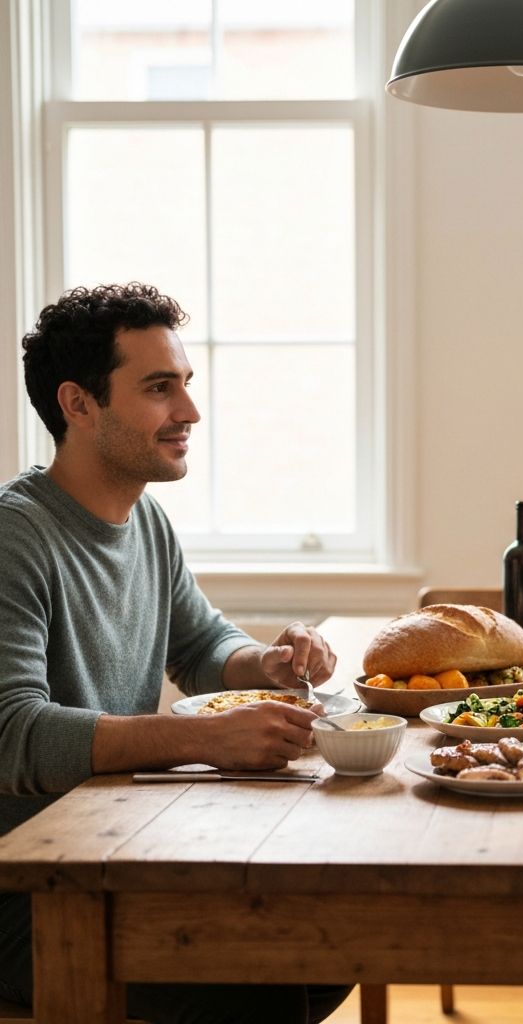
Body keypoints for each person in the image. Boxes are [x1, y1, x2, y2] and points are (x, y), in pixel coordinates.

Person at [0, 283, 350, 1023]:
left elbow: (198, 644)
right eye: (160, 389)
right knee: (268, 974)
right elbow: (14, 735)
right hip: (29, 893)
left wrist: (268, 664)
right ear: (78, 403)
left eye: (186, 386)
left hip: (109, 850)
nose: (189, 413)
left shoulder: (143, 517)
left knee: (330, 949)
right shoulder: (16, 538)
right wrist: (202, 738)